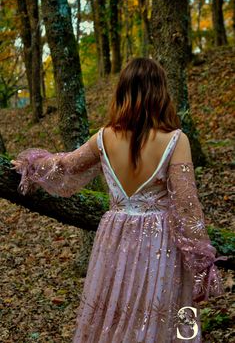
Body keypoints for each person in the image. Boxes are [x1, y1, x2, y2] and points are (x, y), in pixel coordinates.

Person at [10, 57, 227, 343]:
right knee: (166, 310)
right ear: (160, 93)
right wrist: (202, 260)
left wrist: (31, 165)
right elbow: (187, 206)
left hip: (115, 237)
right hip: (160, 241)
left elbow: (64, 166)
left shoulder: (104, 138)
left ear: (123, 91)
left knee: (115, 310)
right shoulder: (176, 140)